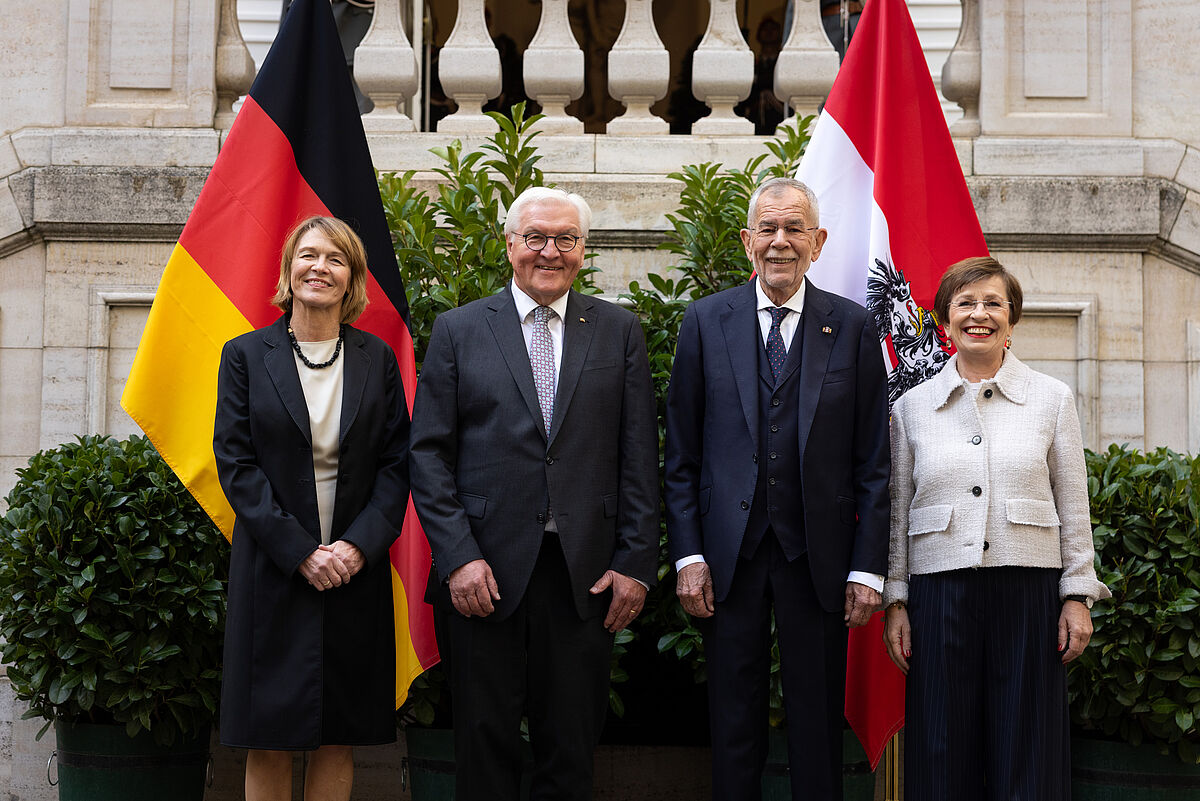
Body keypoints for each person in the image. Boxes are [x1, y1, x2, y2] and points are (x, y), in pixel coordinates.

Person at [409, 187, 659, 801]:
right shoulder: (459, 329)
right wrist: (458, 557)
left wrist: (634, 564)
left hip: (586, 578)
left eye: (566, 239)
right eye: (536, 238)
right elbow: (428, 454)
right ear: (510, 244)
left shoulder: (618, 330)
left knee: (570, 749)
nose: (551, 251)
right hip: (483, 573)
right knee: (483, 742)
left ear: (583, 250)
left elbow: (639, 457)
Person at [664, 176, 891, 800]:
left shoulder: (850, 326)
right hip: (727, 557)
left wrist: (868, 570)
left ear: (818, 241)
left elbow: (874, 460)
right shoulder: (706, 322)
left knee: (816, 725)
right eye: (767, 229)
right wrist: (688, 556)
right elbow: (680, 454)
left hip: (817, 558)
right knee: (732, 723)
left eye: (794, 229)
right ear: (746, 241)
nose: (780, 242)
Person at [882, 256, 1110, 800]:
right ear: (944, 318)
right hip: (939, 594)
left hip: (1028, 592)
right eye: (965, 303)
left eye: (992, 303)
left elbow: (1073, 504)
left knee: (1026, 745)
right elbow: (897, 511)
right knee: (941, 745)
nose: (978, 314)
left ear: (1012, 319)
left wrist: (1077, 594)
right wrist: (897, 600)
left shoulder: (1052, 399)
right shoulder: (912, 407)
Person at [214, 216, 409, 801]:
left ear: (352, 279)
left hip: (353, 572)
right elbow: (236, 464)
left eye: (335, 259)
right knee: (268, 735)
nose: (319, 267)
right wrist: (301, 552)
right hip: (274, 571)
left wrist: (357, 547)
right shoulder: (245, 356)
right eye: (308, 256)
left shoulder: (378, 358)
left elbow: (398, 463)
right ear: (288, 270)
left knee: (337, 734)